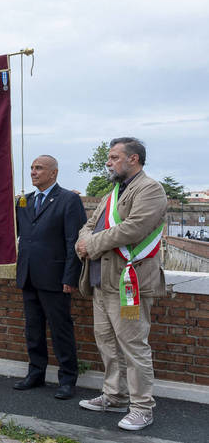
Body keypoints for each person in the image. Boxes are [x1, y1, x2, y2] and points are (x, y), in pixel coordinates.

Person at [0, 155, 86, 400]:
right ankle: (36, 373)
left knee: (60, 330)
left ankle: (67, 379)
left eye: (39, 168)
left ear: (53, 173)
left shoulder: (69, 200)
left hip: (55, 277)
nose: (33, 172)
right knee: (33, 329)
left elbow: (73, 241)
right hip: (29, 275)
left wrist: (71, 278)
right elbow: (8, 235)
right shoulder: (24, 202)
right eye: (32, 168)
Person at [76, 137, 167, 431]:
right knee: (106, 342)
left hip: (130, 283)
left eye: (114, 157)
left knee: (133, 346)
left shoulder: (150, 189)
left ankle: (142, 407)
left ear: (134, 159)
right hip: (102, 281)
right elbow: (91, 224)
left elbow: (134, 228)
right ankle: (115, 395)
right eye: (109, 157)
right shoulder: (112, 192)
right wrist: (83, 239)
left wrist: (91, 245)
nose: (108, 162)